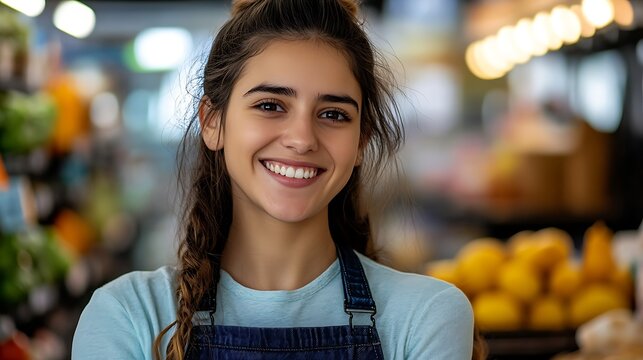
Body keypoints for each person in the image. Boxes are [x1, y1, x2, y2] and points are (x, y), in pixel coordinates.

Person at [72, 0, 477, 359]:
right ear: (213, 123)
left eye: (333, 114)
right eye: (270, 105)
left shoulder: (426, 315)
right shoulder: (129, 316)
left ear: (360, 142)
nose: (302, 139)